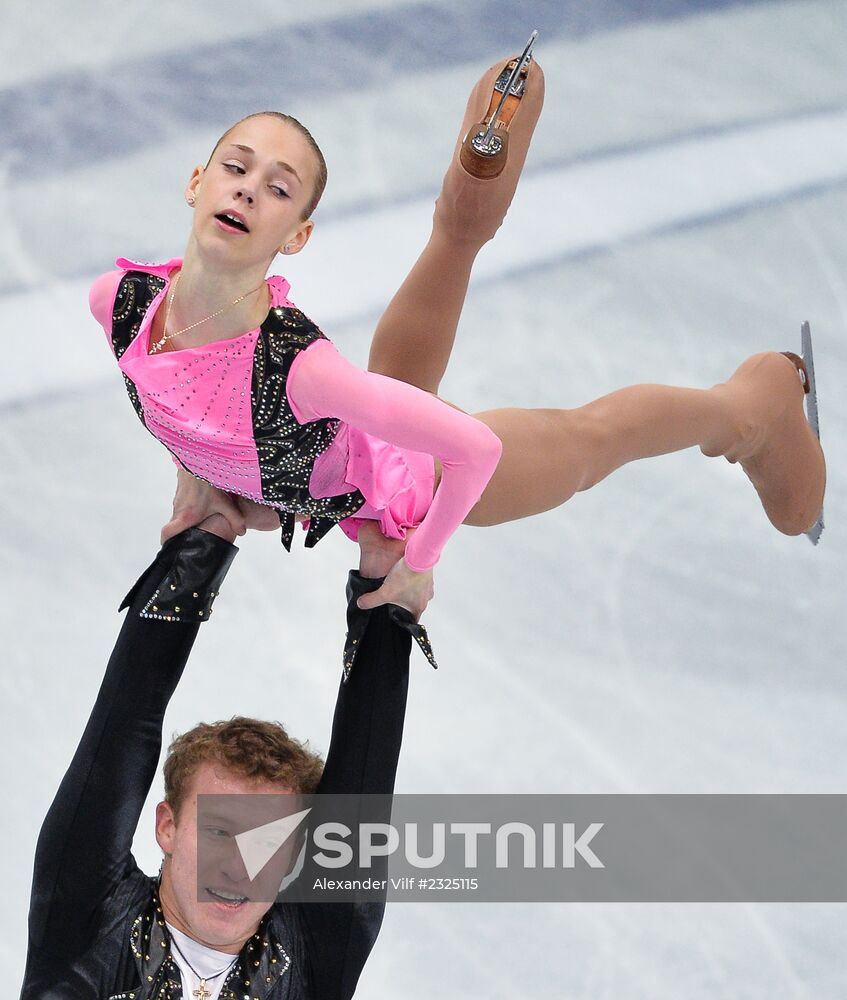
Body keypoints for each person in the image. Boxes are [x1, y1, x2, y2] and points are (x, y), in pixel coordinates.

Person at [89, 53, 825, 626]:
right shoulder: (122, 305)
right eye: (236, 166)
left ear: (300, 234)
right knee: (403, 379)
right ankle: (471, 187)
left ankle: (751, 404)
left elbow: (477, 452)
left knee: (592, 439)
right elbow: (192, 395)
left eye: (279, 188)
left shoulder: (298, 373)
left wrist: (420, 557)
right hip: (341, 448)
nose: (248, 188)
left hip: (419, 479)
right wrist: (197, 464)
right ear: (197, 180)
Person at [20, 520, 415, 1000]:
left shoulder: (316, 949)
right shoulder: (88, 917)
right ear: (167, 826)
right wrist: (207, 533)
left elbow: (366, 769)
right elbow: (125, 722)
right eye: (219, 832)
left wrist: (385, 582)